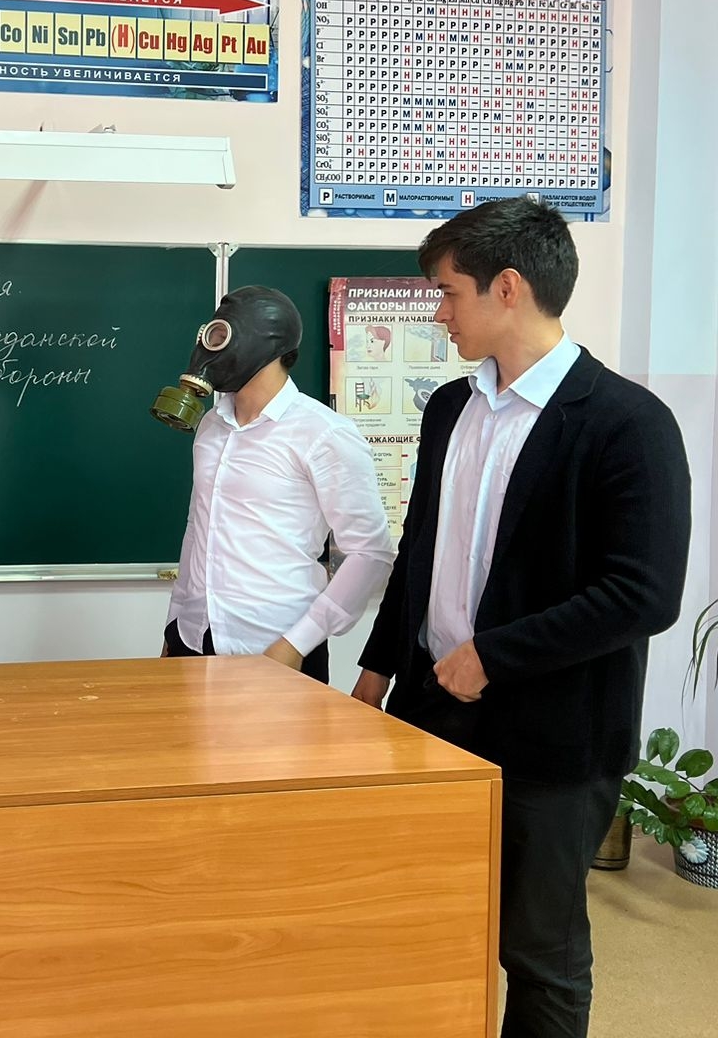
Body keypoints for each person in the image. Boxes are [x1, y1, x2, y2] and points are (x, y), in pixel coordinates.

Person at [350, 198, 691, 1038]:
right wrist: (377, 668)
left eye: (447, 292)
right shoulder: (449, 409)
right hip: (430, 715)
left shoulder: (627, 423)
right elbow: (420, 551)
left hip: (555, 736)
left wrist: (493, 655)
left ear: (508, 288)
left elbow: (643, 594)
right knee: (430, 927)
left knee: (538, 951)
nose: (438, 314)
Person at [163, 286, 394, 682]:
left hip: (277, 649)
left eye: (222, 337)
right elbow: (198, 530)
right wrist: (175, 624)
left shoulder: (324, 434)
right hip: (193, 638)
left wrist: (296, 644)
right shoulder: (211, 425)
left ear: (265, 344)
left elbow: (370, 553)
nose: (208, 351)